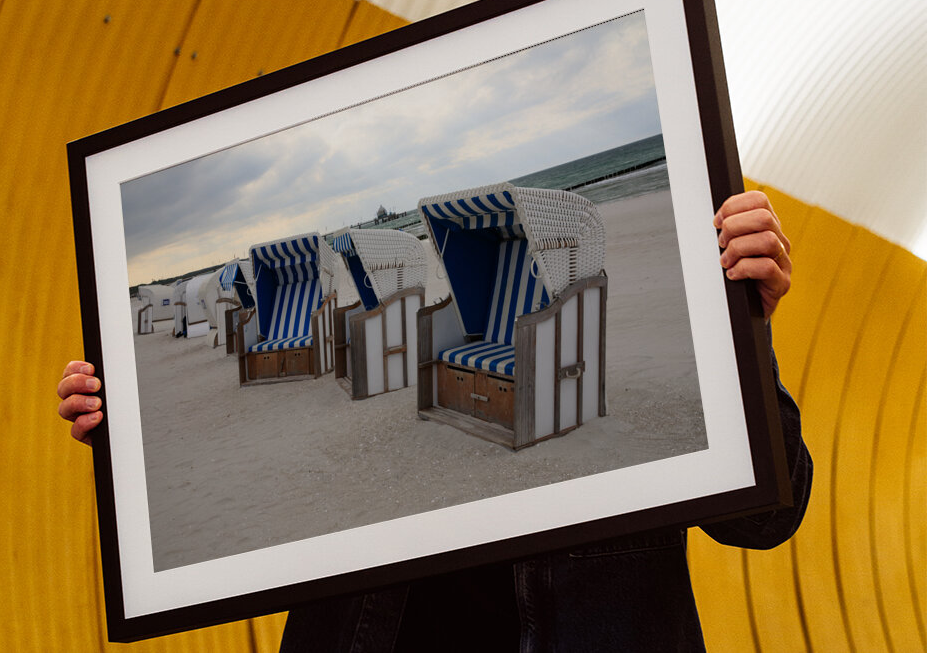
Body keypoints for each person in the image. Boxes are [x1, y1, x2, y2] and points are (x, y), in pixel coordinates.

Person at [57, 191, 811, 651]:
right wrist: (126, 425)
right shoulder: (379, 385)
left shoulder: (676, 344)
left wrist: (743, 328)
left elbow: (767, 519)